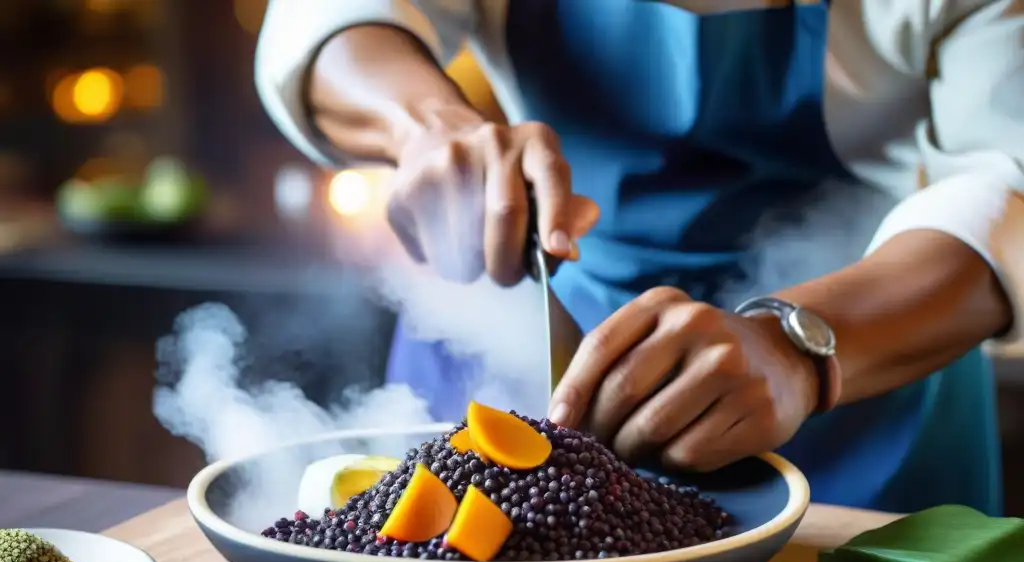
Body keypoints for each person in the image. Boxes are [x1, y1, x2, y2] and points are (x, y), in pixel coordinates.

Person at [254, 0, 1022, 516]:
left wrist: (796, 347)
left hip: (864, 359)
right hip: (529, 328)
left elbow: (1011, 185)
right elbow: (332, 20)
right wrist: (428, 124)